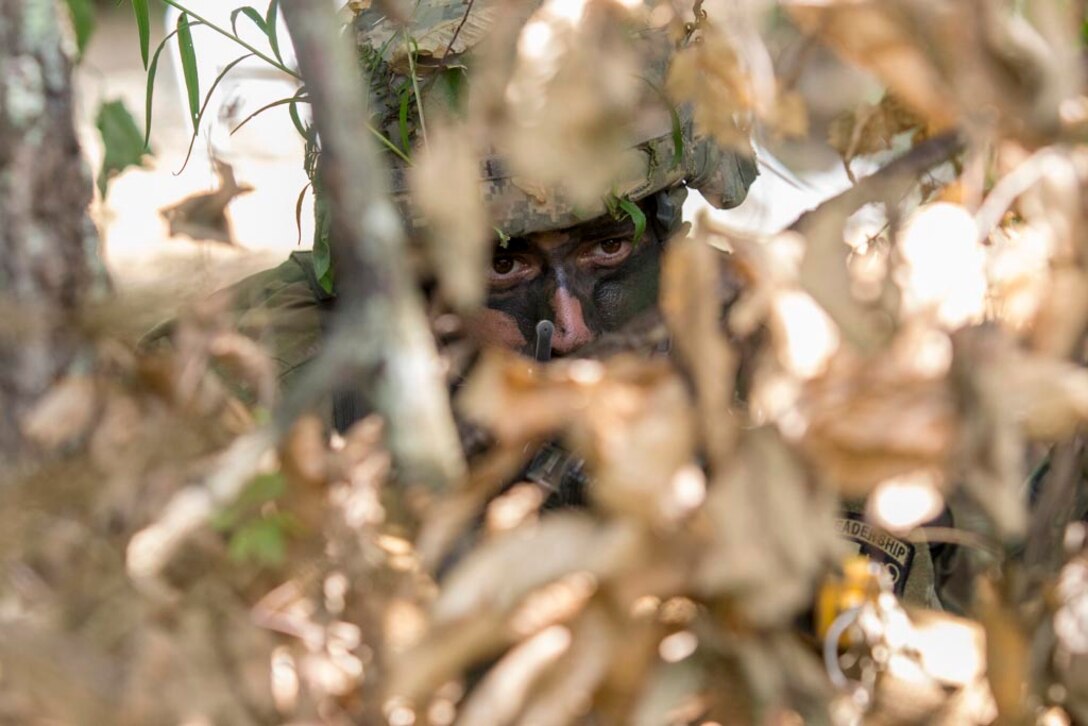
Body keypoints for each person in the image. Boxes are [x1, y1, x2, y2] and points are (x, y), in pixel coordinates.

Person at [206, 0, 955, 610]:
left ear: (668, 231)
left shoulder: (789, 353)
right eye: (504, 266)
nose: (570, 328)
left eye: (608, 251)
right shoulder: (263, 373)